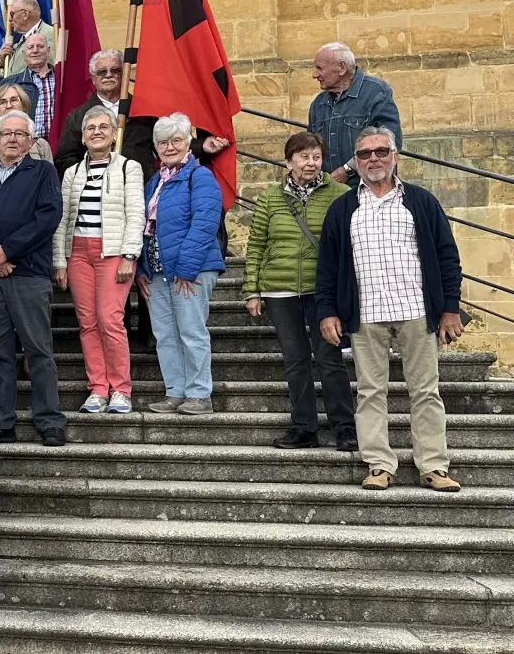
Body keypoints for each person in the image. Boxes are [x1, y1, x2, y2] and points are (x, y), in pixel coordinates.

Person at [316, 126, 464, 492]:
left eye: (381, 151)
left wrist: (450, 308)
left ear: (395, 155)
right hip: (365, 314)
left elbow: (448, 257)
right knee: (370, 392)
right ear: (356, 162)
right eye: (364, 154)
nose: (373, 159)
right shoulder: (343, 208)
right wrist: (328, 311)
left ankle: (433, 465)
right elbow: (328, 265)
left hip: (416, 309)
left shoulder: (421, 201)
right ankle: (379, 465)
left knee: (426, 391)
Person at [244, 131, 356, 450]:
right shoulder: (269, 197)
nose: (311, 162)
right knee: (295, 359)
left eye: (316, 156)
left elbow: (347, 243)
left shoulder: (339, 193)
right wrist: (252, 290)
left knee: (329, 356)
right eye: (304, 156)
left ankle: (344, 426)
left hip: (322, 289)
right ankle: (304, 426)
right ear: (289, 160)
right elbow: (256, 246)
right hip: (279, 289)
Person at [0, 110, 66, 446]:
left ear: (32, 141)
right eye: (6, 134)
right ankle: (2, 420)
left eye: (20, 134)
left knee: (38, 350)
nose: (12, 139)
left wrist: (7, 251)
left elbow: (48, 217)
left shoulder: (42, 173)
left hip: (28, 273)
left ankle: (49, 421)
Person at [52, 108, 144, 415]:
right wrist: (59, 261)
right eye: (90, 127)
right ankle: (98, 388)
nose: (97, 131)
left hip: (113, 252)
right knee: (87, 322)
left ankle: (121, 388)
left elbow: (136, 214)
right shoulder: (72, 172)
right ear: (82, 136)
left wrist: (130, 255)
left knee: (110, 319)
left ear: (114, 133)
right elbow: (62, 219)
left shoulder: (128, 168)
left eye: (103, 126)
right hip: (78, 252)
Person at [137, 113, 226, 416]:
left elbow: (205, 223)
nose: (169, 146)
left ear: (189, 143)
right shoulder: (154, 182)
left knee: (191, 331)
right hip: (158, 270)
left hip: (191, 270)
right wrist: (141, 269)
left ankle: (200, 393)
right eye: (163, 141)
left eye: (176, 140)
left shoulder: (199, 176)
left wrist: (186, 268)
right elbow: (143, 227)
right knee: (165, 333)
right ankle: (176, 391)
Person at [307, 41, 403, 186]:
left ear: (341, 68)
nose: (315, 75)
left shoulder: (376, 92)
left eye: (320, 68)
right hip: (327, 192)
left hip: (370, 190)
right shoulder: (318, 104)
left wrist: (347, 170)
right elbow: (310, 147)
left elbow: (391, 143)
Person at [53, 50, 125, 174]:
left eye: (115, 70)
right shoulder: (77, 117)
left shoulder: (142, 111)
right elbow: (64, 160)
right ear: (93, 78)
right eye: (102, 72)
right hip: (94, 187)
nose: (108, 75)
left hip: (140, 186)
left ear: (124, 74)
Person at [0, 82, 54, 169]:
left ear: (24, 105)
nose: (9, 106)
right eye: (2, 102)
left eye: (14, 100)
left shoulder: (40, 144)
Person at [2, 34, 59, 143]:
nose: (35, 50)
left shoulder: (62, 80)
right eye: (30, 47)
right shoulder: (10, 84)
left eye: (40, 46)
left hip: (60, 146)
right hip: (25, 146)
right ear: (23, 54)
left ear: (48, 51)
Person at [0, 0, 54, 72]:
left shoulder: (50, 34)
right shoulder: (24, 38)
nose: (9, 19)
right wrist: (4, 58)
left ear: (25, 14)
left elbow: (50, 68)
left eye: (12, 14)